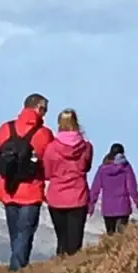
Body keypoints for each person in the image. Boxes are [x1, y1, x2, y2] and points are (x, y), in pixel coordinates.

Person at [0, 94, 54, 271]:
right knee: (25, 234)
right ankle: (17, 271)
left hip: (8, 189)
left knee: (15, 235)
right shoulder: (44, 134)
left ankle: (16, 269)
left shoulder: (5, 129)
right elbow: (50, 162)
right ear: (39, 109)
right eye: (44, 110)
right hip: (31, 191)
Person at [42, 109, 93, 256]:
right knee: (75, 243)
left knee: (62, 240)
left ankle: (61, 270)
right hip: (78, 196)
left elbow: (47, 173)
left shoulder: (51, 148)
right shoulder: (87, 147)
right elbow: (87, 167)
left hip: (57, 197)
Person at [88, 142, 138, 234]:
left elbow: (95, 189)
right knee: (121, 237)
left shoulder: (102, 169)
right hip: (122, 207)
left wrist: (91, 205)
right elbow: (132, 188)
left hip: (108, 208)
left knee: (110, 236)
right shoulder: (126, 167)